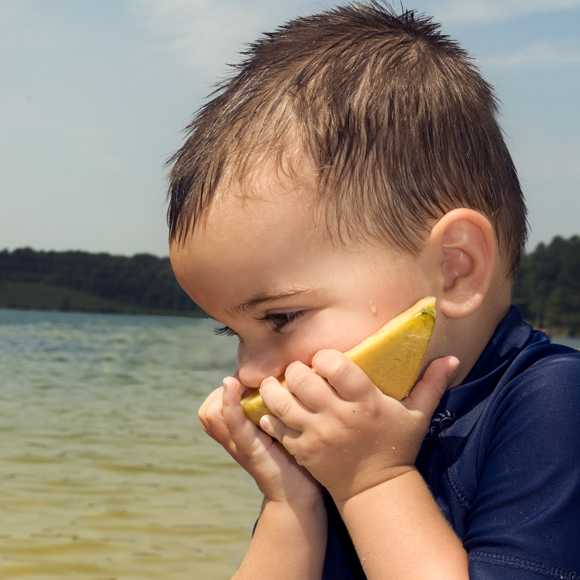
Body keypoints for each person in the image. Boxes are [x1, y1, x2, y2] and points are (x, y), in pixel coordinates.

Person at [167, 3, 580, 578]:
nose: (251, 373)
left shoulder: (553, 403)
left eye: (281, 318)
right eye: (233, 332)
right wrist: (291, 506)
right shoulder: (339, 432)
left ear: (455, 270)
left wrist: (372, 481)